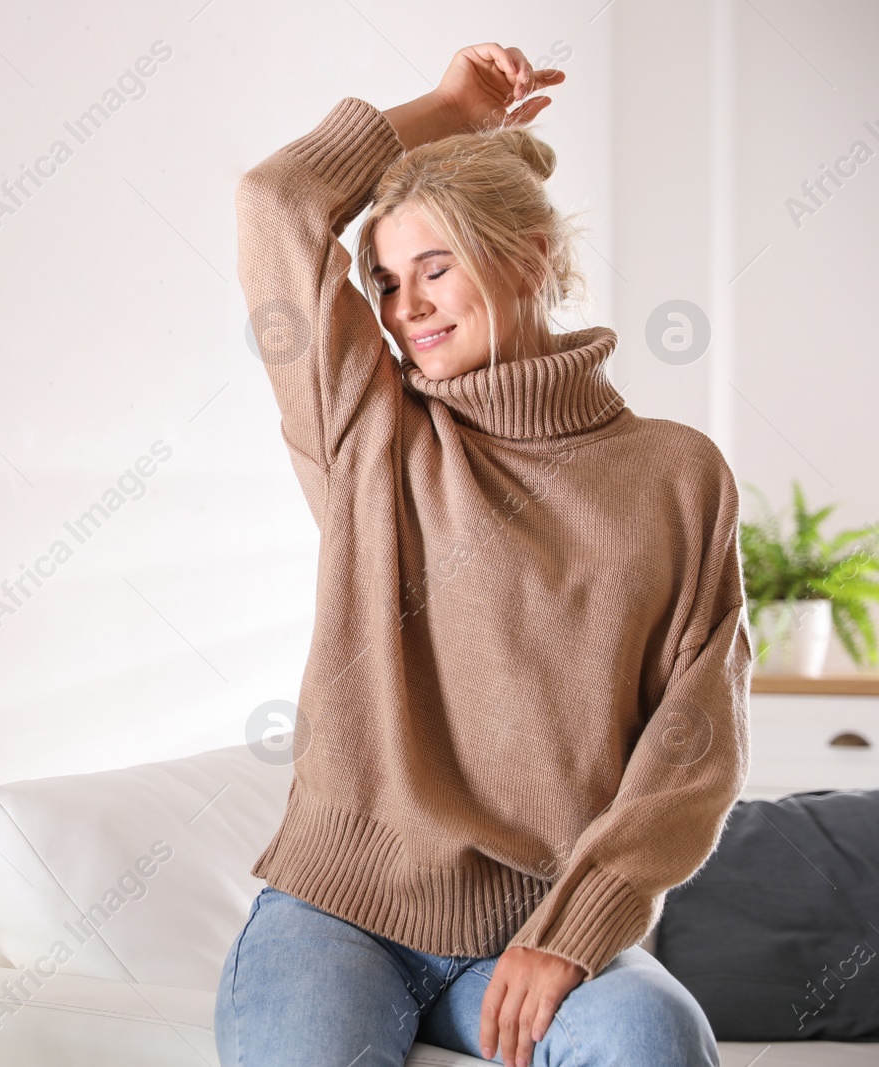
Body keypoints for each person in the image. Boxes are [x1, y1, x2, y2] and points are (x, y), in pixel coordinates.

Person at [217, 42, 751, 1067]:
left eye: (434, 265)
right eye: (382, 280)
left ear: (531, 259)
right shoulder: (370, 432)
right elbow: (275, 201)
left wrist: (572, 929)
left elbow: (695, 738)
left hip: (534, 921)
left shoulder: (678, 477)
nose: (403, 305)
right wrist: (449, 108)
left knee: (655, 1038)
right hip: (340, 915)